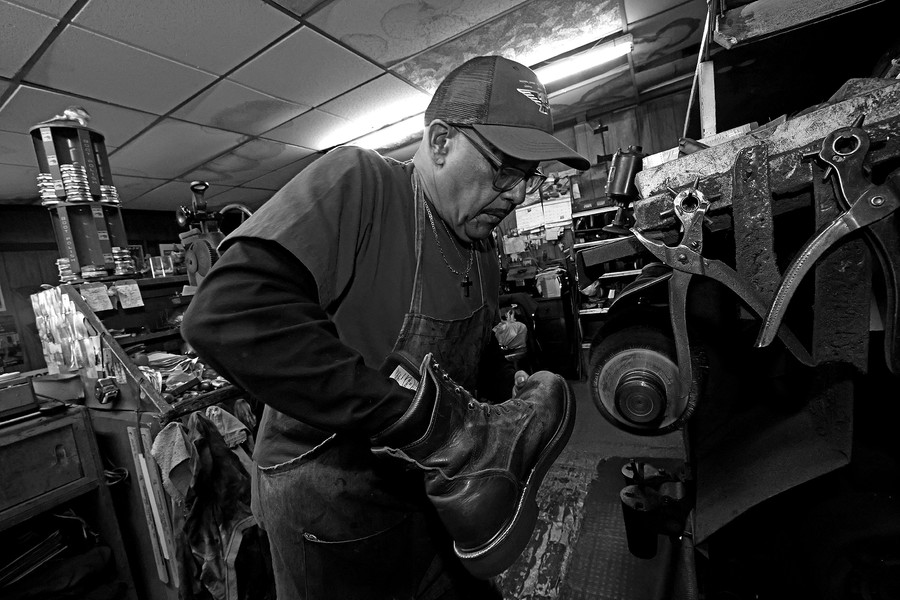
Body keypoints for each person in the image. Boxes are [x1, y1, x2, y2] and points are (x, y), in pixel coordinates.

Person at [181, 55, 591, 599]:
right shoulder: (360, 184)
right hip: (328, 509)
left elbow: (474, 343)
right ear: (441, 141)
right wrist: (429, 425)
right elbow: (225, 315)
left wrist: (496, 412)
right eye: (506, 168)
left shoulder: (480, 244)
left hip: (429, 498)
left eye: (529, 176)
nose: (518, 194)